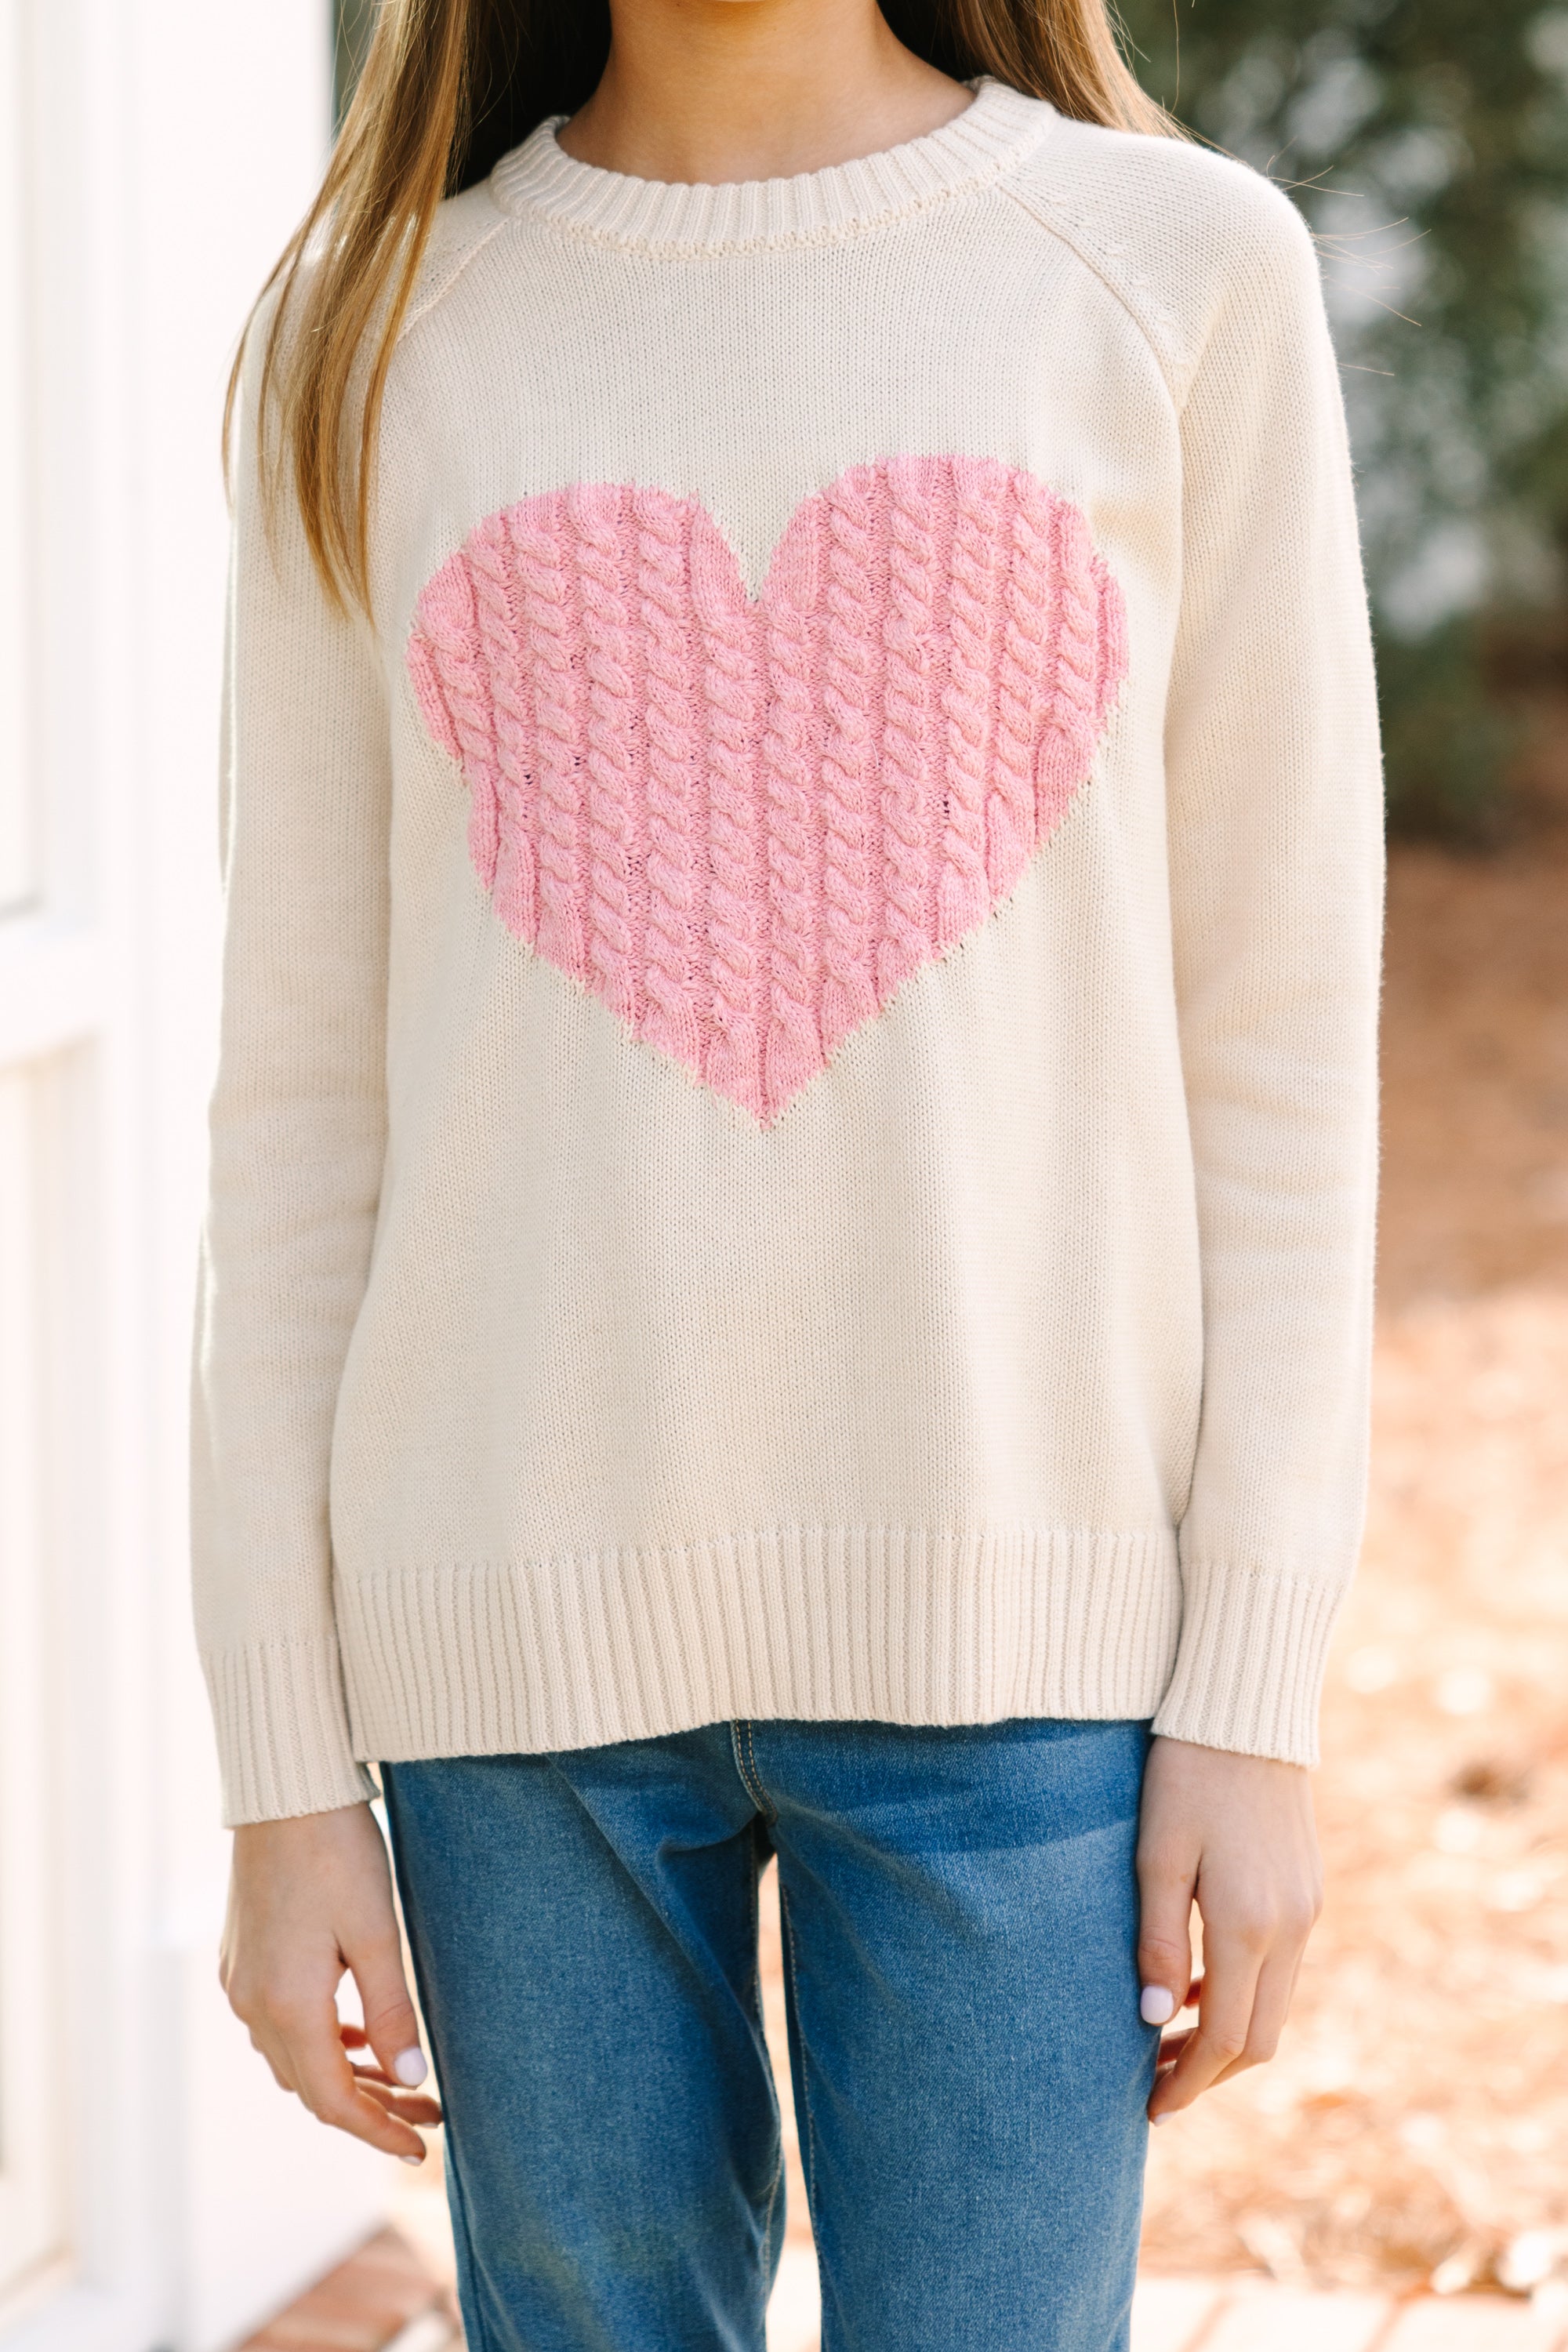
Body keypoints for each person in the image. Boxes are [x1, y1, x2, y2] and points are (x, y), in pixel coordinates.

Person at [197, 1, 1384, 2345]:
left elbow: (1282, 1061)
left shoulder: (1176, 274)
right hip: (498, 1652)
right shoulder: (369, 332)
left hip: (1028, 1649)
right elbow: (298, 1105)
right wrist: (278, 1774)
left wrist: (1253, 1691)